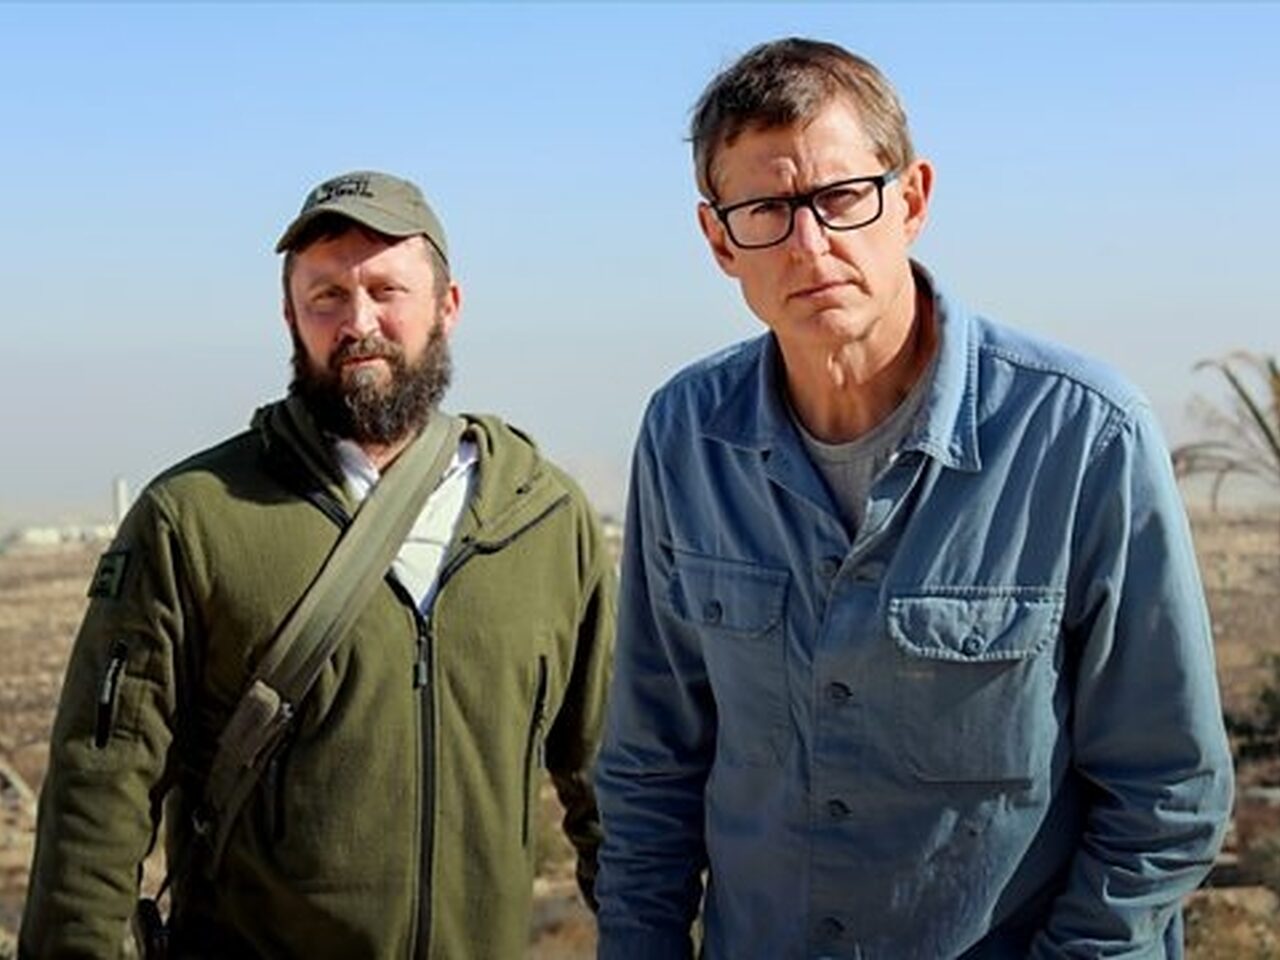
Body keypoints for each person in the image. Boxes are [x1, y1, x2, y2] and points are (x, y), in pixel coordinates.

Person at [595, 38, 1233, 959]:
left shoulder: (1081, 435)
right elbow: (652, 768)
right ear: (719, 239)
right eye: (767, 210)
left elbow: (1169, 791)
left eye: (841, 197)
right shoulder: (686, 436)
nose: (810, 245)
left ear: (913, 200)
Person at [21, 170, 615, 957]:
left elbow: (618, 787)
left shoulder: (543, 519)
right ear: (290, 317)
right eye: (327, 296)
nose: (358, 321)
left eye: (386, 290)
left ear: (448, 305)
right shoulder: (194, 519)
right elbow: (98, 797)